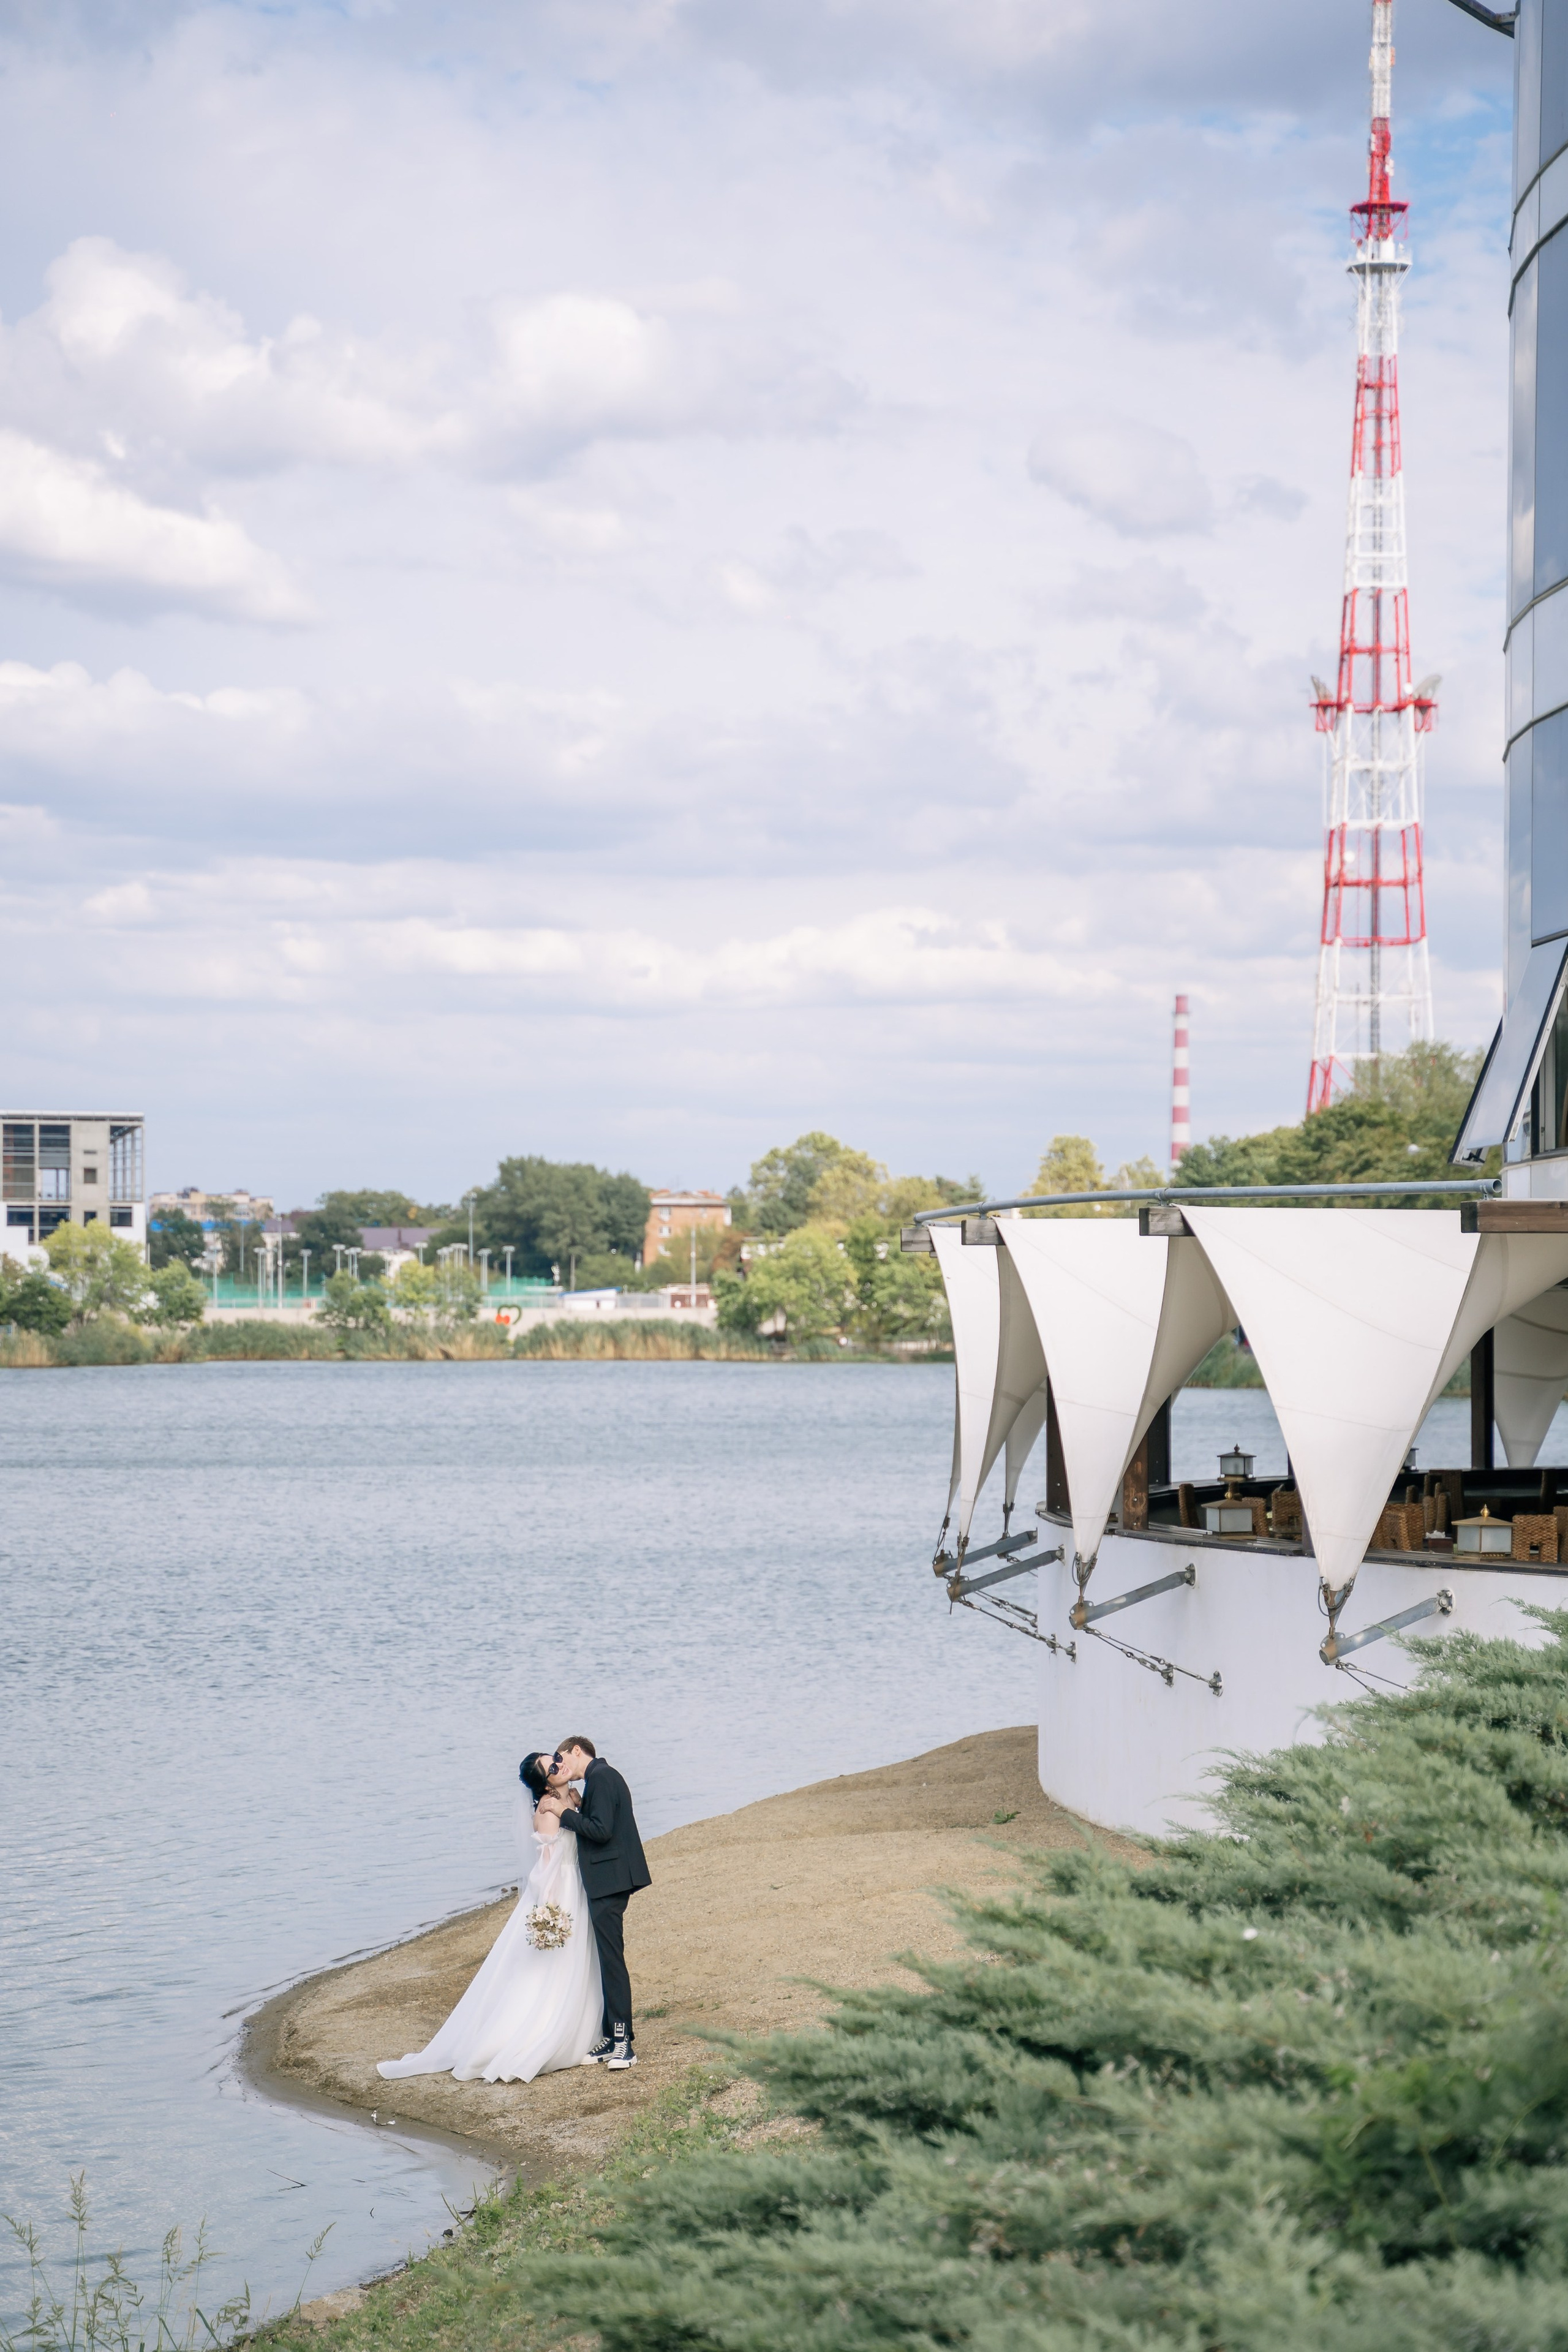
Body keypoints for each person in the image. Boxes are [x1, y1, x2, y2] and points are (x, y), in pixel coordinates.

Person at [376, 1749, 602, 2083]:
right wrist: (550, 1912)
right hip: (559, 1893)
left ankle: (579, 2027)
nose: (560, 1764)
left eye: (556, 1758)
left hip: (575, 1885)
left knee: (575, 1962)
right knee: (552, 1966)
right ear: (545, 1784)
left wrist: (576, 1803)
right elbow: (546, 1868)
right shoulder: (547, 1810)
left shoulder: (570, 1797)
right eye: (552, 1766)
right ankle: (539, 2034)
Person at [555, 1737, 650, 2071]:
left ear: (576, 1751)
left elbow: (602, 1831)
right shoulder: (598, 1779)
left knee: (612, 1961)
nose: (560, 1765)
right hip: (608, 1880)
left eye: (561, 1758)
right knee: (606, 1959)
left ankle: (623, 2043)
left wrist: (565, 1813)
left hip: (611, 1881)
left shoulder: (603, 1777)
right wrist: (581, 1807)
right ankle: (611, 2037)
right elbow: (602, 1821)